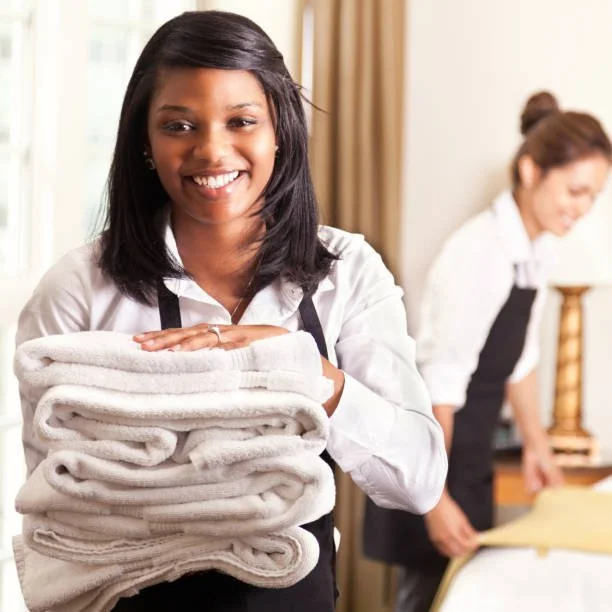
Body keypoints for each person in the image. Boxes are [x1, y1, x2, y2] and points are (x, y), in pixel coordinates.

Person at [15, 10, 447, 612]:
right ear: (144, 140)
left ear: (280, 132)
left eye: (241, 120)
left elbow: (419, 481)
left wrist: (300, 371)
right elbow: (61, 509)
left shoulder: (346, 272)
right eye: (179, 125)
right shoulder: (78, 290)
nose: (211, 150)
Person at [363, 91, 612, 612]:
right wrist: (434, 501)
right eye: (575, 191)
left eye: (594, 196)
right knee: (425, 595)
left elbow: (518, 359)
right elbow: (439, 386)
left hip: (466, 454)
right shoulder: (482, 253)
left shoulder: (535, 249)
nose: (583, 209)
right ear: (529, 172)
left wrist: (537, 445)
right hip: (430, 450)